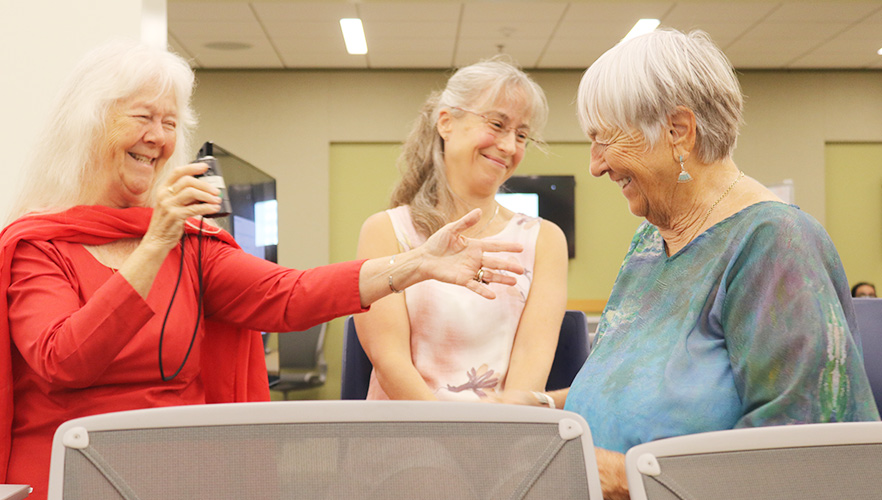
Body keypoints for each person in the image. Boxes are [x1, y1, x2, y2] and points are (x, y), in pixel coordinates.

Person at [0, 40, 526, 498]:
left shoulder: (192, 245)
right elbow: (63, 359)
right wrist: (155, 241)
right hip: (67, 476)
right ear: (89, 124)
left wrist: (416, 264)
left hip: (176, 478)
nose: (158, 137)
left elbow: (289, 295)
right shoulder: (39, 245)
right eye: (142, 117)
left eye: (169, 122)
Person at [511, 29, 878, 499]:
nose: (596, 165)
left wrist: (629, 478)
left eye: (605, 139)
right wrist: (543, 405)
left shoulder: (774, 244)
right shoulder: (650, 242)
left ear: (678, 132)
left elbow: (805, 455)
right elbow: (634, 383)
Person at [354, 57, 568, 402]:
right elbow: (390, 362)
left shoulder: (545, 240)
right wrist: (452, 437)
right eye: (497, 124)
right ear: (446, 122)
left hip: (501, 436)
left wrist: (488, 442)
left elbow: (529, 365)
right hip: (404, 434)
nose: (510, 146)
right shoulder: (385, 231)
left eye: (522, 134)